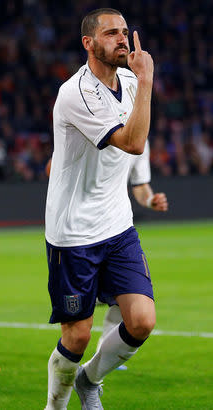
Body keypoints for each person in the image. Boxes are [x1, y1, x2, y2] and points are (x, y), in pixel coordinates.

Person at [44, 8, 155, 409]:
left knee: (141, 321)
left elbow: (139, 135)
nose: (123, 39)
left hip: (117, 224)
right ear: (89, 43)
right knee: (77, 335)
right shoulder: (76, 92)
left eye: (125, 32)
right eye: (111, 33)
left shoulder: (127, 80)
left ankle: (89, 382)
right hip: (74, 231)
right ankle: (54, 406)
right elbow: (133, 142)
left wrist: (140, 82)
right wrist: (147, 81)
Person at [97, 140, 168, 368]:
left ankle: (102, 357)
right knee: (77, 327)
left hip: (118, 228)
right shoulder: (94, 117)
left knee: (130, 293)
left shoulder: (141, 136)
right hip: (81, 230)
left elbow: (139, 183)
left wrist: (149, 199)